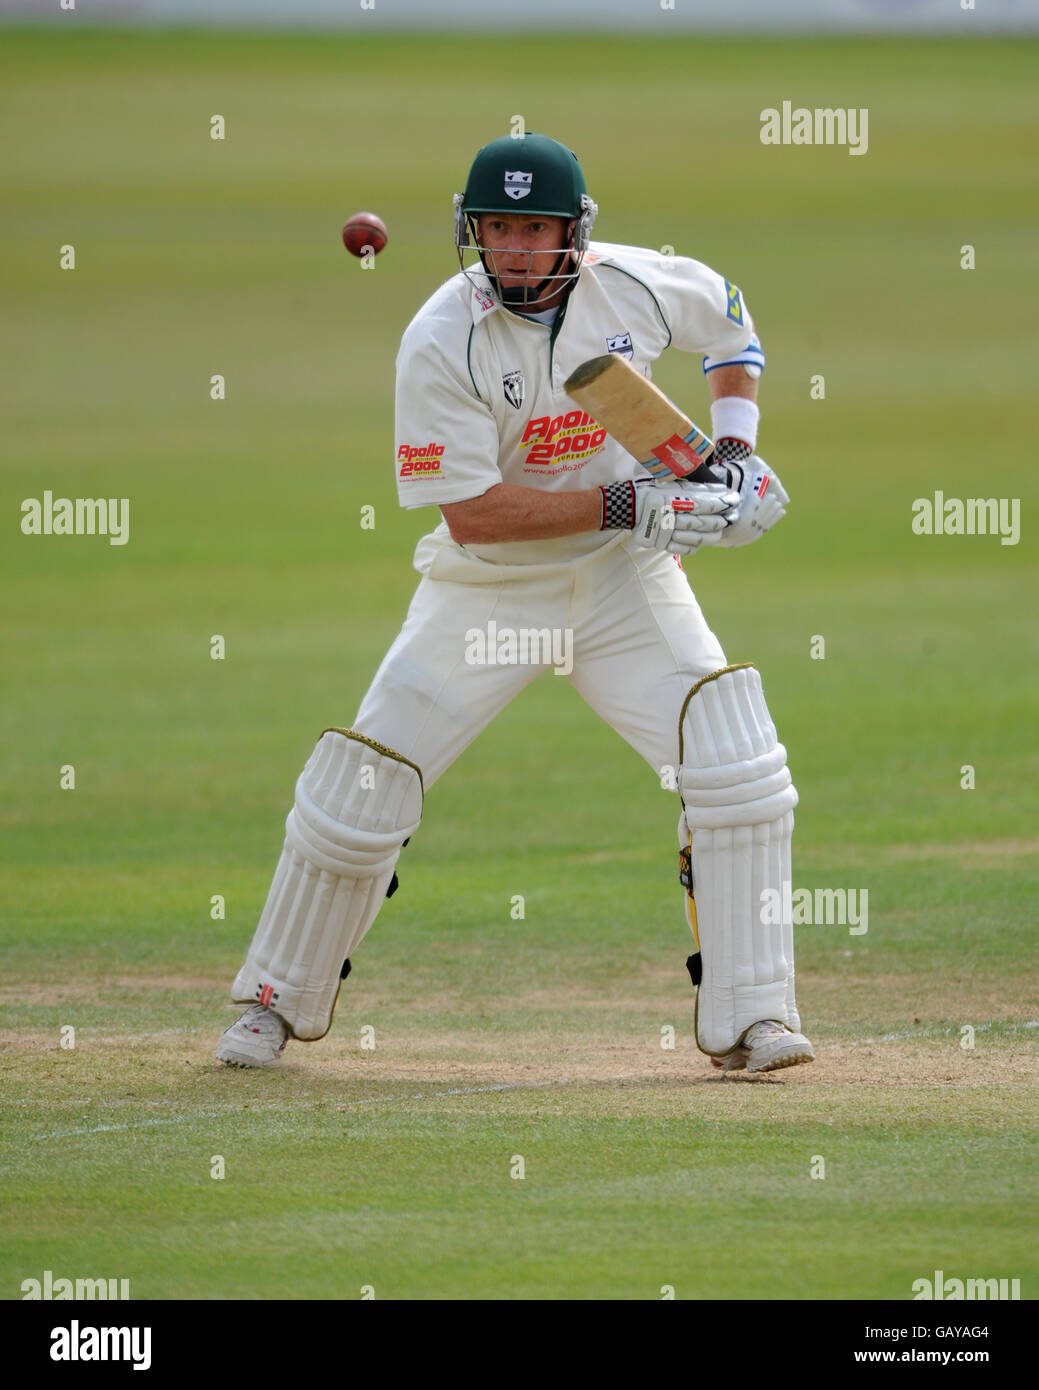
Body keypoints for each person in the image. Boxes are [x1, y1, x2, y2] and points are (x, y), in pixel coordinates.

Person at [216, 132, 814, 1076]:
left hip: (624, 582)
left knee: (734, 758)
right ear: (472, 231)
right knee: (362, 787)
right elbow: (476, 516)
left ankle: (754, 1015)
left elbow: (732, 323)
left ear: (574, 232)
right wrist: (636, 500)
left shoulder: (639, 285)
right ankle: (271, 1001)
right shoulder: (438, 338)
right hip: (486, 591)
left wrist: (733, 453)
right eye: (498, 228)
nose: (516, 251)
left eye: (535, 229)